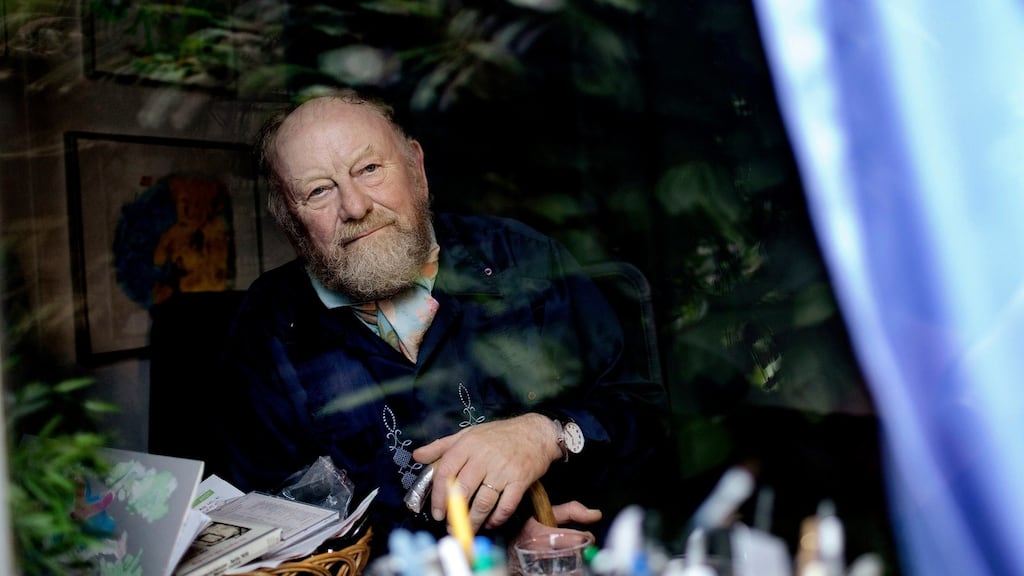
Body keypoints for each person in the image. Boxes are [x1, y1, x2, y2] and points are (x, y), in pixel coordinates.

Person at [220, 88, 673, 553]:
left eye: (369, 169)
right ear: (291, 223)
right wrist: (486, 552)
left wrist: (547, 433)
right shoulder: (270, 324)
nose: (355, 207)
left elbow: (643, 418)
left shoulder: (520, 260)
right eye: (318, 190)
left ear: (416, 168)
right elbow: (268, 517)